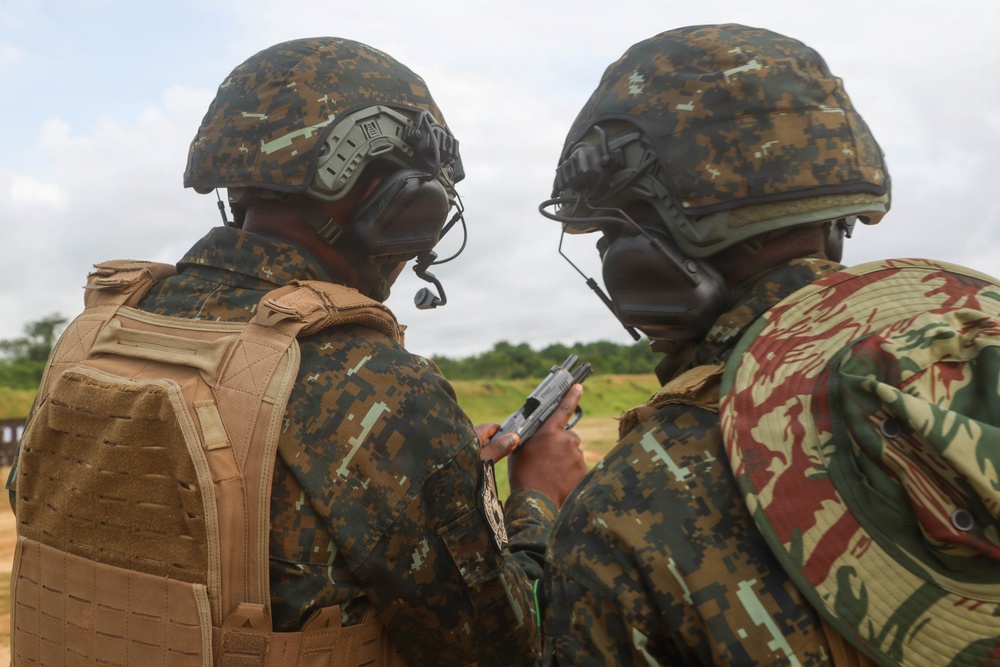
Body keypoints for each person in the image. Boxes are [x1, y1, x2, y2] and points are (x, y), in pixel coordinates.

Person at [6, 37, 587, 666]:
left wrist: (435, 473)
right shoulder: (380, 387)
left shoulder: (96, 334)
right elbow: (503, 647)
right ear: (399, 199)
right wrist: (538, 500)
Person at [539, 23, 1000, 666]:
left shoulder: (629, 507)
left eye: (611, 235)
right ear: (834, 225)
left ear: (650, 258)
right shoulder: (973, 349)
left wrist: (535, 509)